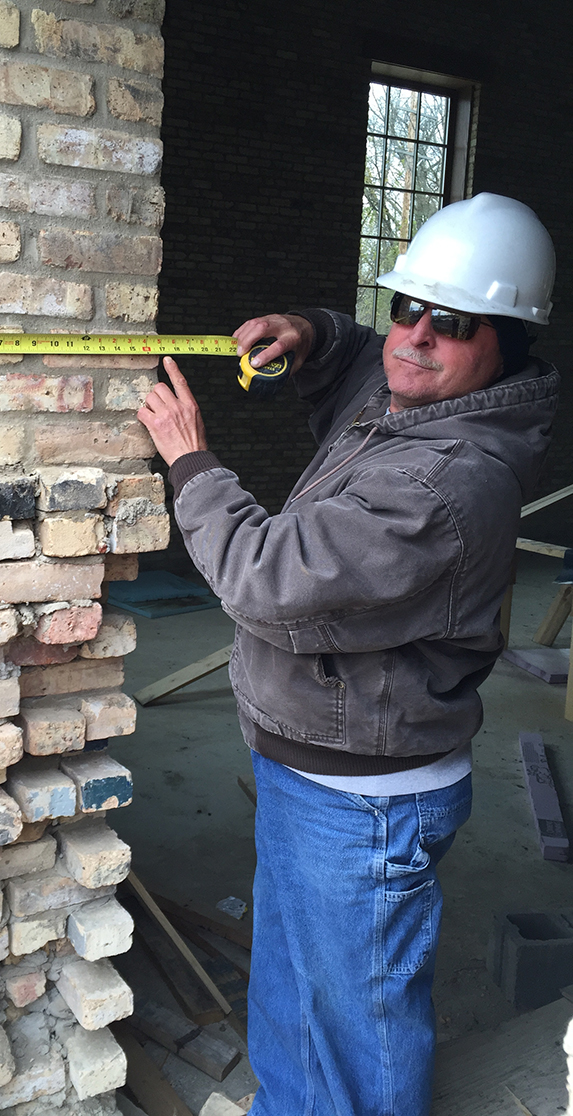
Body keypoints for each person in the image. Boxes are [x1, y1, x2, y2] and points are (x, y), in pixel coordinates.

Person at [136, 193, 560, 1116]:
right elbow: (364, 364)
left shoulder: (448, 486)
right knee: (292, 1001)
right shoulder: (421, 389)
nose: (412, 337)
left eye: (448, 323)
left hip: (365, 807)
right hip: (315, 776)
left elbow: (266, 581)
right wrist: (311, 333)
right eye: (406, 307)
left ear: (506, 344)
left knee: (354, 1039)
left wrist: (192, 464)